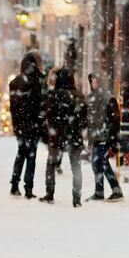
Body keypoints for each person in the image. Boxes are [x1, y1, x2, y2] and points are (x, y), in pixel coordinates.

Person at [40, 68, 87, 207]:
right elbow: (84, 120)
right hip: (75, 136)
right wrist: (77, 128)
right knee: (76, 167)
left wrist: (52, 131)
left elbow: (48, 117)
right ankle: (76, 198)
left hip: (57, 136)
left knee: (51, 164)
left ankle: (49, 194)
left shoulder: (53, 96)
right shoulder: (80, 96)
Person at [8, 51, 45, 199]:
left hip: (21, 125)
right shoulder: (35, 82)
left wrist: (16, 125)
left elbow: (14, 108)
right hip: (33, 125)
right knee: (31, 156)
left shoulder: (15, 82)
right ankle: (28, 187)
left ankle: (15, 184)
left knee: (21, 154)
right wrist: (39, 121)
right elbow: (38, 106)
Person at [86, 74, 124, 202]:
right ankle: (100, 192)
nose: (93, 84)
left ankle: (115, 190)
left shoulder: (109, 99)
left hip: (105, 137)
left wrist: (113, 141)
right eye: (92, 82)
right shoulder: (91, 98)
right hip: (97, 137)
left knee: (101, 164)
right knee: (98, 164)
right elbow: (90, 121)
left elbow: (115, 121)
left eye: (96, 82)